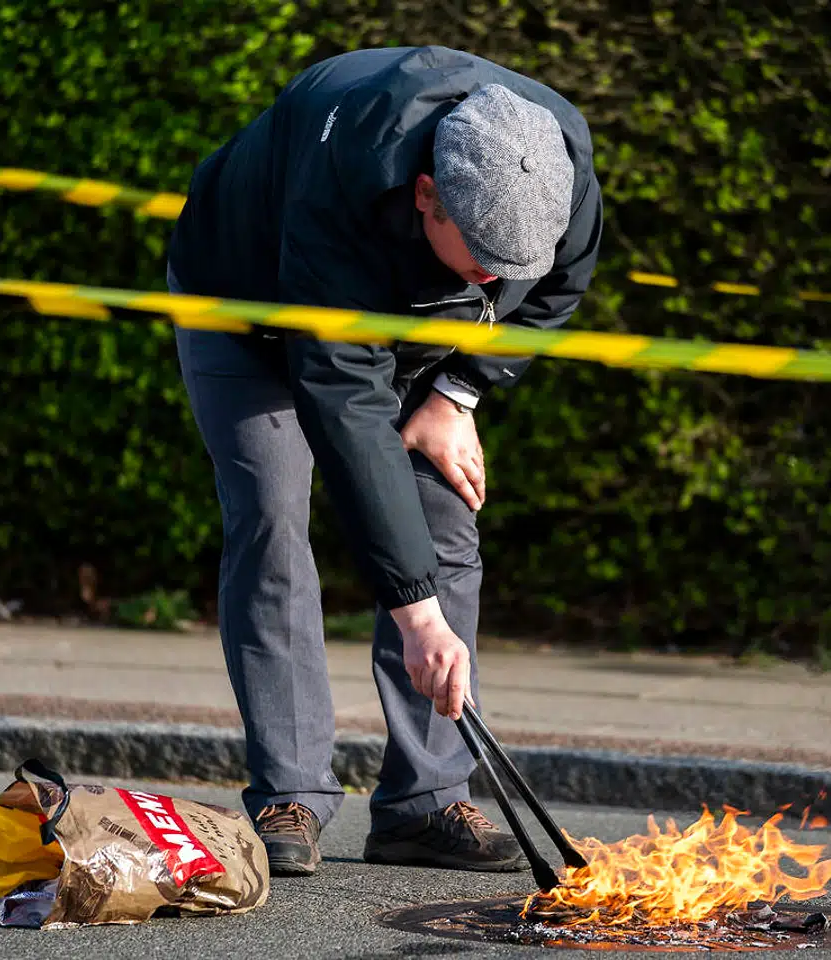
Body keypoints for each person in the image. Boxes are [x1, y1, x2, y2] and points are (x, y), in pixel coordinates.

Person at [163, 45, 602, 877]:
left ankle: (424, 805)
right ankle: (290, 791)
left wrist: (458, 396)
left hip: (415, 325)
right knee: (271, 514)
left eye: (509, 267)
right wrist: (417, 615)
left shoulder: (558, 166)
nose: (495, 281)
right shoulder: (344, 176)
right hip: (246, 305)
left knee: (447, 510)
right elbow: (346, 405)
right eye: (481, 259)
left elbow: (554, 293)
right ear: (426, 194)